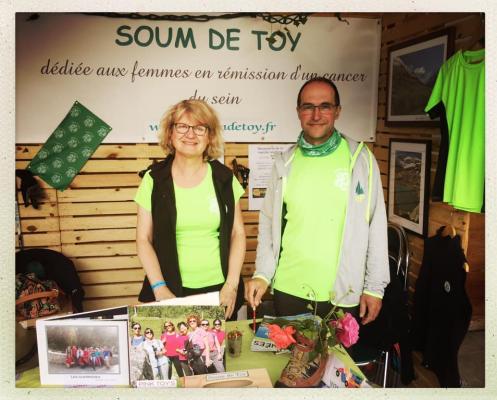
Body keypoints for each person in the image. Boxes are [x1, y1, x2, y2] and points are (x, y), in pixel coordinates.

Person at [245, 77, 389, 325]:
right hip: (289, 289)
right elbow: (268, 223)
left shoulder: (360, 160)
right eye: (308, 107)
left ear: (337, 111)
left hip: (342, 293)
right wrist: (262, 273)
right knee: (293, 363)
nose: (316, 114)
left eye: (325, 106)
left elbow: (376, 225)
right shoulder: (284, 163)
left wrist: (374, 287)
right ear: (298, 112)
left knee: (335, 364)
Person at [135, 99, 246, 320]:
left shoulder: (224, 178)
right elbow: (143, 238)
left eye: (199, 128)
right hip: (169, 291)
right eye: (182, 126)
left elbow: (238, 233)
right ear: (170, 133)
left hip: (219, 290)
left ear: (210, 136)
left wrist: (231, 285)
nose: (190, 134)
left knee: (215, 354)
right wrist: (159, 289)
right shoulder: (153, 179)